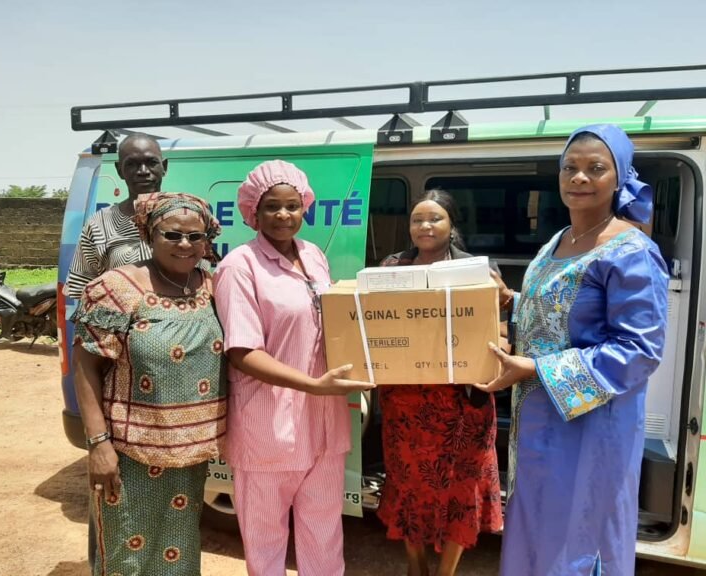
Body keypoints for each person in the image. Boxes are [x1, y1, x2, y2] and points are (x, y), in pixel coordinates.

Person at [473, 124, 669, 576]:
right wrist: (513, 302)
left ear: (618, 177)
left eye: (595, 168)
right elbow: (560, 313)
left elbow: (639, 349)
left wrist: (535, 369)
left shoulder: (630, 251)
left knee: (580, 530)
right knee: (536, 526)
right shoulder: (556, 241)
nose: (579, 177)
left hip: (592, 427)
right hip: (538, 421)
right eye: (570, 167)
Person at [212, 159, 375, 576]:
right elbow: (242, 352)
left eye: (292, 205)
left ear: (305, 207)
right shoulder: (239, 266)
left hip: (323, 425)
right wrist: (314, 384)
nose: (283, 215)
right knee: (266, 542)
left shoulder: (314, 256)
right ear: (253, 211)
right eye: (271, 207)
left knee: (324, 533)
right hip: (269, 430)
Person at [71, 192, 226, 576]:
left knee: (180, 553)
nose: (185, 244)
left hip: (189, 457)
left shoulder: (212, 286)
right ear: (149, 235)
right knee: (129, 559)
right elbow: (85, 367)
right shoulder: (116, 289)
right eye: (172, 235)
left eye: (196, 236)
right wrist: (97, 445)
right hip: (128, 456)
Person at [376, 188, 505, 576]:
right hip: (407, 404)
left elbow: (499, 332)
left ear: (451, 225)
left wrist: (496, 350)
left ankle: (446, 571)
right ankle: (416, 566)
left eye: (435, 218)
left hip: (464, 404)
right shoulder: (391, 269)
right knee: (409, 486)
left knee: (461, 490)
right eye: (417, 219)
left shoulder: (481, 271)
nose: (425, 226)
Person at [66, 133, 168, 299]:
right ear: (119, 170)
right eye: (132, 165)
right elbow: (80, 290)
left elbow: (202, 282)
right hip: (117, 323)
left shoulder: (188, 217)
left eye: (151, 163)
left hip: (177, 322)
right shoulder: (99, 224)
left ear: (164, 167)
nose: (143, 171)